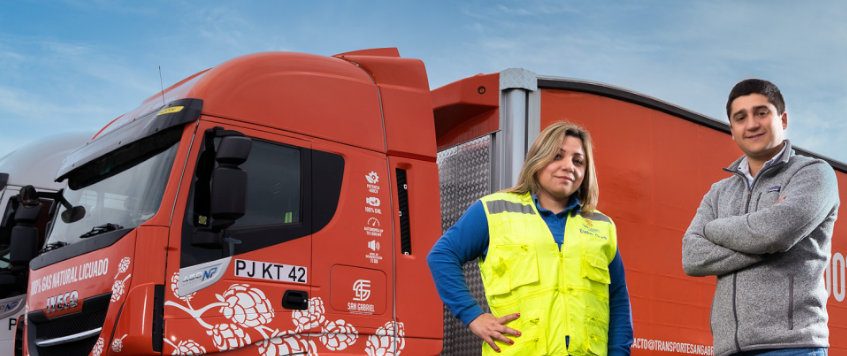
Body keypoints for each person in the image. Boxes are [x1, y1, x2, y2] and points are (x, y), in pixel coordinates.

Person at [427, 121, 633, 355]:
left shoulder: (601, 226)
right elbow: (442, 255)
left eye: (578, 161)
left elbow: (618, 300)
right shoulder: (494, 211)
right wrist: (473, 316)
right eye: (557, 156)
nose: (569, 166)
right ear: (538, 160)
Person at [682, 79, 839, 356]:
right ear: (732, 130)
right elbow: (692, 257)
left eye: (761, 112)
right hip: (729, 349)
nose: (751, 124)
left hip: (794, 347)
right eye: (740, 117)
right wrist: (770, 244)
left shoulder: (813, 174)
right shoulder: (719, 192)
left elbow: (773, 234)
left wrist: (713, 229)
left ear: (784, 118)